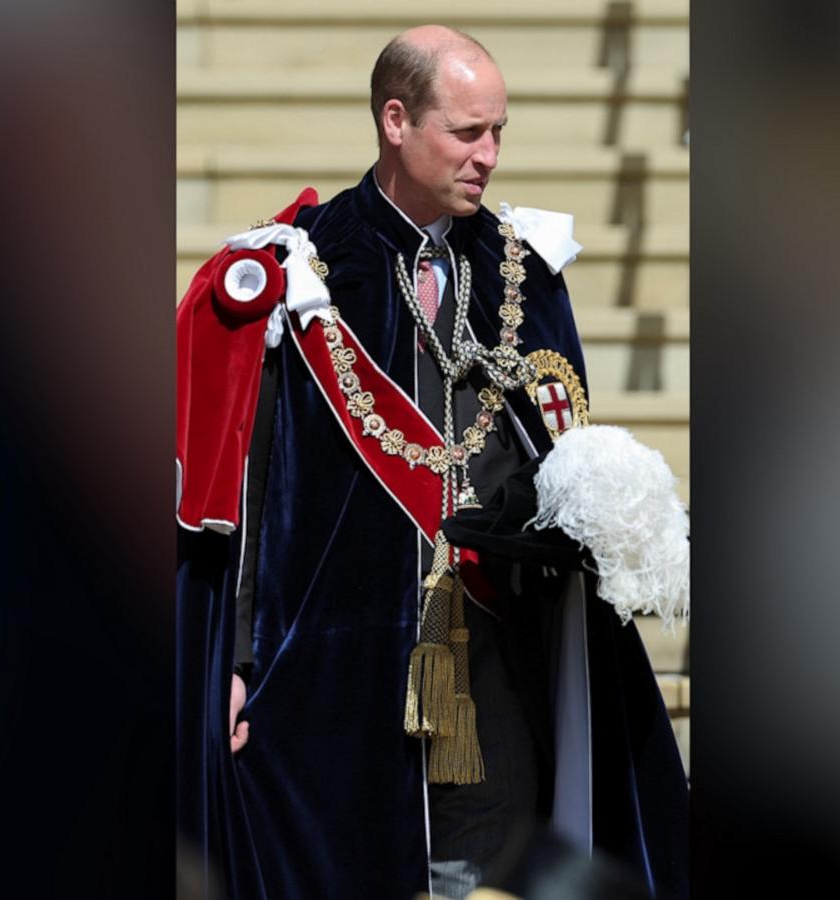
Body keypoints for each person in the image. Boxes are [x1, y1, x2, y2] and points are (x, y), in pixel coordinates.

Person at [176, 25, 688, 900]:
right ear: (395, 120)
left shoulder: (521, 268)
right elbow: (258, 485)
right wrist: (236, 657)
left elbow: (556, 452)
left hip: (498, 650)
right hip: (336, 656)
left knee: (483, 872)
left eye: (499, 132)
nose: (488, 156)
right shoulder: (306, 264)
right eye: (466, 132)